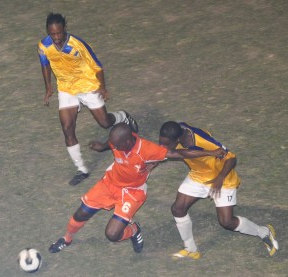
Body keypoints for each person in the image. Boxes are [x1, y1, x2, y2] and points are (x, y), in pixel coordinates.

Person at [48, 123, 227, 254]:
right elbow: (109, 143)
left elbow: (179, 153)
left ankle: (134, 230)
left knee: (112, 234)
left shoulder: (148, 149)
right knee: (81, 214)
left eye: (117, 145)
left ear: (128, 140)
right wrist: (101, 146)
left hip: (133, 192)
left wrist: (211, 152)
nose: (115, 148)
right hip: (109, 183)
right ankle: (67, 238)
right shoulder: (117, 140)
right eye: (113, 144)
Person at [37, 13, 138, 186]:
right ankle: (81, 169)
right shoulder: (43, 46)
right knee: (67, 128)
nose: (56, 38)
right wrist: (48, 87)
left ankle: (123, 116)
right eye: (52, 34)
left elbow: (97, 67)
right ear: (48, 32)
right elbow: (45, 64)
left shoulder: (77, 44)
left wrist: (102, 87)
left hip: (87, 84)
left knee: (105, 123)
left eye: (59, 33)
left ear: (64, 29)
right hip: (67, 87)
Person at [158, 121, 279, 259]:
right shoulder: (175, 130)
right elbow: (169, 152)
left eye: (167, 144)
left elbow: (231, 158)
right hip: (199, 175)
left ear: (178, 139)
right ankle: (191, 249)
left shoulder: (202, 140)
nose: (163, 146)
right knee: (178, 209)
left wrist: (220, 178)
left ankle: (264, 232)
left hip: (222, 178)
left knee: (227, 222)